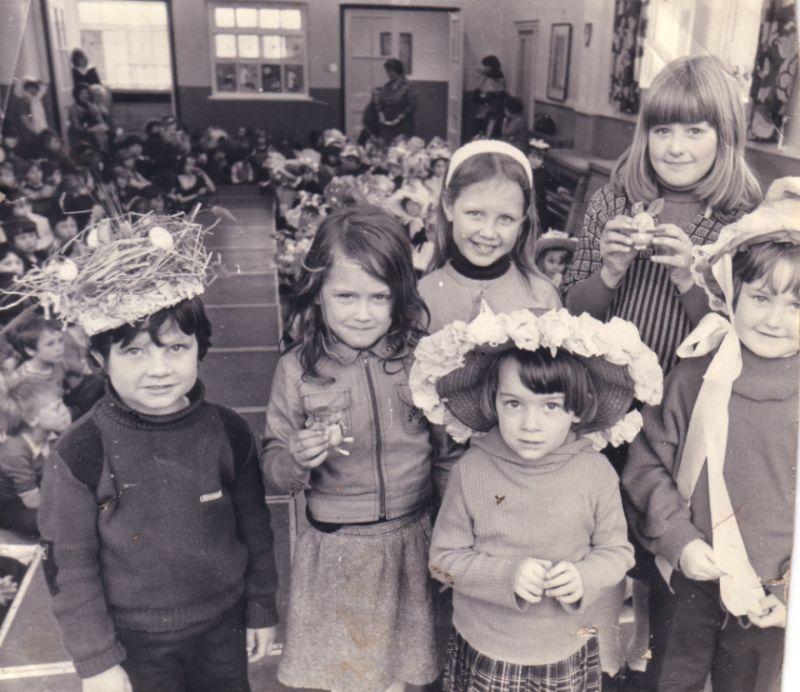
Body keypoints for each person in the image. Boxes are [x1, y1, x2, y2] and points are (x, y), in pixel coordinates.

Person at [560, 55, 762, 682]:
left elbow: (742, 333)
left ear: (726, 138)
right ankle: (592, 659)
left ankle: (650, 658)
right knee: (598, 538)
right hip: (606, 407)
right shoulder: (614, 198)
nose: (675, 147)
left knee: (664, 546)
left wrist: (689, 277)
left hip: (683, 417)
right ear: (643, 133)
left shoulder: (741, 218)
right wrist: (610, 272)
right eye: (662, 129)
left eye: (696, 131)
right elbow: (572, 311)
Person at [36, 213, 279, 691]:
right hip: (134, 645)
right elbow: (70, 565)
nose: (159, 369)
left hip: (223, 628)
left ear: (198, 349)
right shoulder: (79, 452)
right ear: (99, 360)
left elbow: (256, 529)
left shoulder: (229, 431)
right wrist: (97, 661)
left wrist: (260, 607)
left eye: (175, 348)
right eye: (134, 352)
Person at [411, 305, 664, 692]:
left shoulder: (595, 472)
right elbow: (443, 562)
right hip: (488, 646)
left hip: (566, 647)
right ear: (493, 403)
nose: (530, 424)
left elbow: (618, 553)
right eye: (514, 404)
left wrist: (585, 576)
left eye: (550, 406)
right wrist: (505, 575)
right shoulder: (472, 470)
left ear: (576, 410)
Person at [262, 206, 452, 692]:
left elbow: (445, 455)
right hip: (339, 548)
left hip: (414, 539)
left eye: (379, 297)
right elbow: (273, 464)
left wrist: (454, 532)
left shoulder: (420, 359)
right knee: (347, 679)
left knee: (400, 675)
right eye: (345, 295)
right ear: (318, 293)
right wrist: (297, 459)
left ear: (399, 297)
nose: (362, 313)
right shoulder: (296, 370)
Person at [622, 177, 800, 692]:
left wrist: (789, 593)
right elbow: (647, 464)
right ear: (730, 290)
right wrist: (677, 540)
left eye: (796, 305)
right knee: (671, 679)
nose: (774, 319)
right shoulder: (697, 373)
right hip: (691, 577)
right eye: (762, 297)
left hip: (771, 596)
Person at [419, 139, 561, 334]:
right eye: (475, 214)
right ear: (448, 206)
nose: (488, 232)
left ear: (522, 220)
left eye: (505, 218)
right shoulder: (422, 296)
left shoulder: (543, 297)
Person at [0, 378, 71, 537]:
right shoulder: (14, 452)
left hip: (38, 491)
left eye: (62, 403)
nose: (65, 411)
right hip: (11, 505)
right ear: (32, 420)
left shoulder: (51, 436)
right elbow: (32, 502)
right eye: (56, 408)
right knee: (58, 521)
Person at [378, 58, 416, 142]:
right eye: (387, 72)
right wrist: (381, 115)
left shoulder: (408, 86)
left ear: (398, 71)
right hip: (387, 126)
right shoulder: (386, 86)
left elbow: (411, 106)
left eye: (390, 71)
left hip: (403, 126)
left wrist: (398, 119)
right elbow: (380, 103)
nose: (388, 74)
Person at [472, 56, 507, 138]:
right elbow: (478, 89)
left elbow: (497, 92)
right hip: (482, 107)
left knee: (487, 129)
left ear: (490, 66)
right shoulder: (484, 76)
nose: (483, 68)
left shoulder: (498, 78)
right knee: (479, 127)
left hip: (490, 108)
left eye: (485, 66)